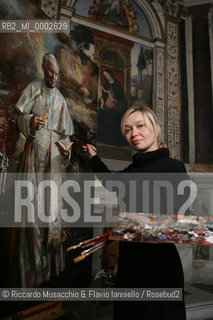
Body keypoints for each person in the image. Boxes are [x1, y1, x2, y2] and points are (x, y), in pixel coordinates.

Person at [83, 105, 187, 320]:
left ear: (156, 128)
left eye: (140, 126)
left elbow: (176, 219)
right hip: (130, 265)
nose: (134, 133)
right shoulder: (131, 171)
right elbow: (111, 181)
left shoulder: (173, 167)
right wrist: (94, 158)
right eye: (128, 129)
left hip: (159, 268)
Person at [14, 53, 74, 287]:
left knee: (49, 212)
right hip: (33, 159)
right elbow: (17, 116)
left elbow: (67, 136)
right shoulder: (33, 89)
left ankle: (47, 274)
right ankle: (28, 274)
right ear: (43, 69)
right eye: (50, 71)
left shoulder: (60, 99)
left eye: (57, 73)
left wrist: (65, 149)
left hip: (53, 162)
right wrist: (29, 121)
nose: (54, 77)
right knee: (31, 209)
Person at [98, 68, 127, 145]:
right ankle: (105, 139)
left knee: (114, 120)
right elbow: (103, 94)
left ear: (110, 74)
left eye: (107, 75)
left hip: (116, 107)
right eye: (105, 75)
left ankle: (113, 140)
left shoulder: (117, 85)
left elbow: (121, 97)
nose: (106, 77)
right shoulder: (107, 84)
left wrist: (115, 100)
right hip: (107, 105)